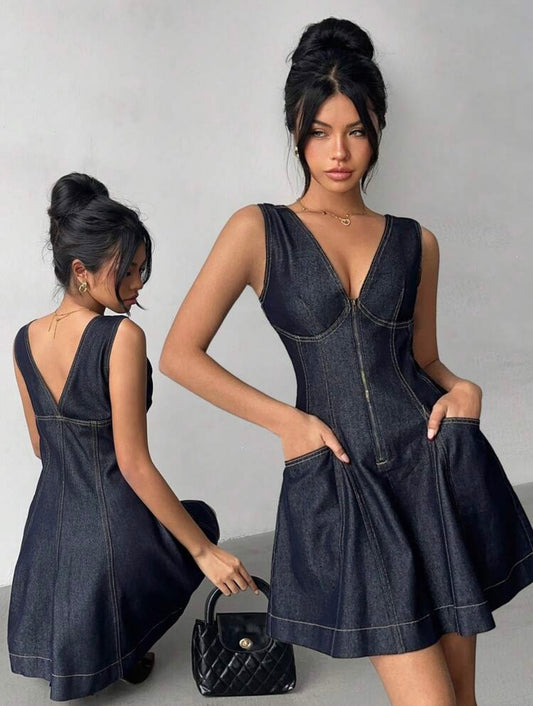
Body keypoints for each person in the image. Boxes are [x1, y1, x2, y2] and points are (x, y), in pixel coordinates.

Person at [158, 17, 533, 706]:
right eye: (320, 132)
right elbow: (180, 354)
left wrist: (464, 389)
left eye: (355, 131)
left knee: (463, 699)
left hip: (434, 470)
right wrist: (287, 422)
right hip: (346, 480)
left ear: (378, 129)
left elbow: (425, 359)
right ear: (296, 132)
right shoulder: (258, 229)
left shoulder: (416, 242)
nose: (338, 152)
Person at [8, 172, 259, 702]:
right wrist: (204, 552)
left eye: (141, 269)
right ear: (81, 271)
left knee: (107, 548)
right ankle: (125, 637)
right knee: (198, 524)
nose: (138, 283)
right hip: (113, 521)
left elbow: (41, 447)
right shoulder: (120, 335)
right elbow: (134, 464)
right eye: (127, 270)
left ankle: (105, 630)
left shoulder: (23, 341)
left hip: (48, 531)